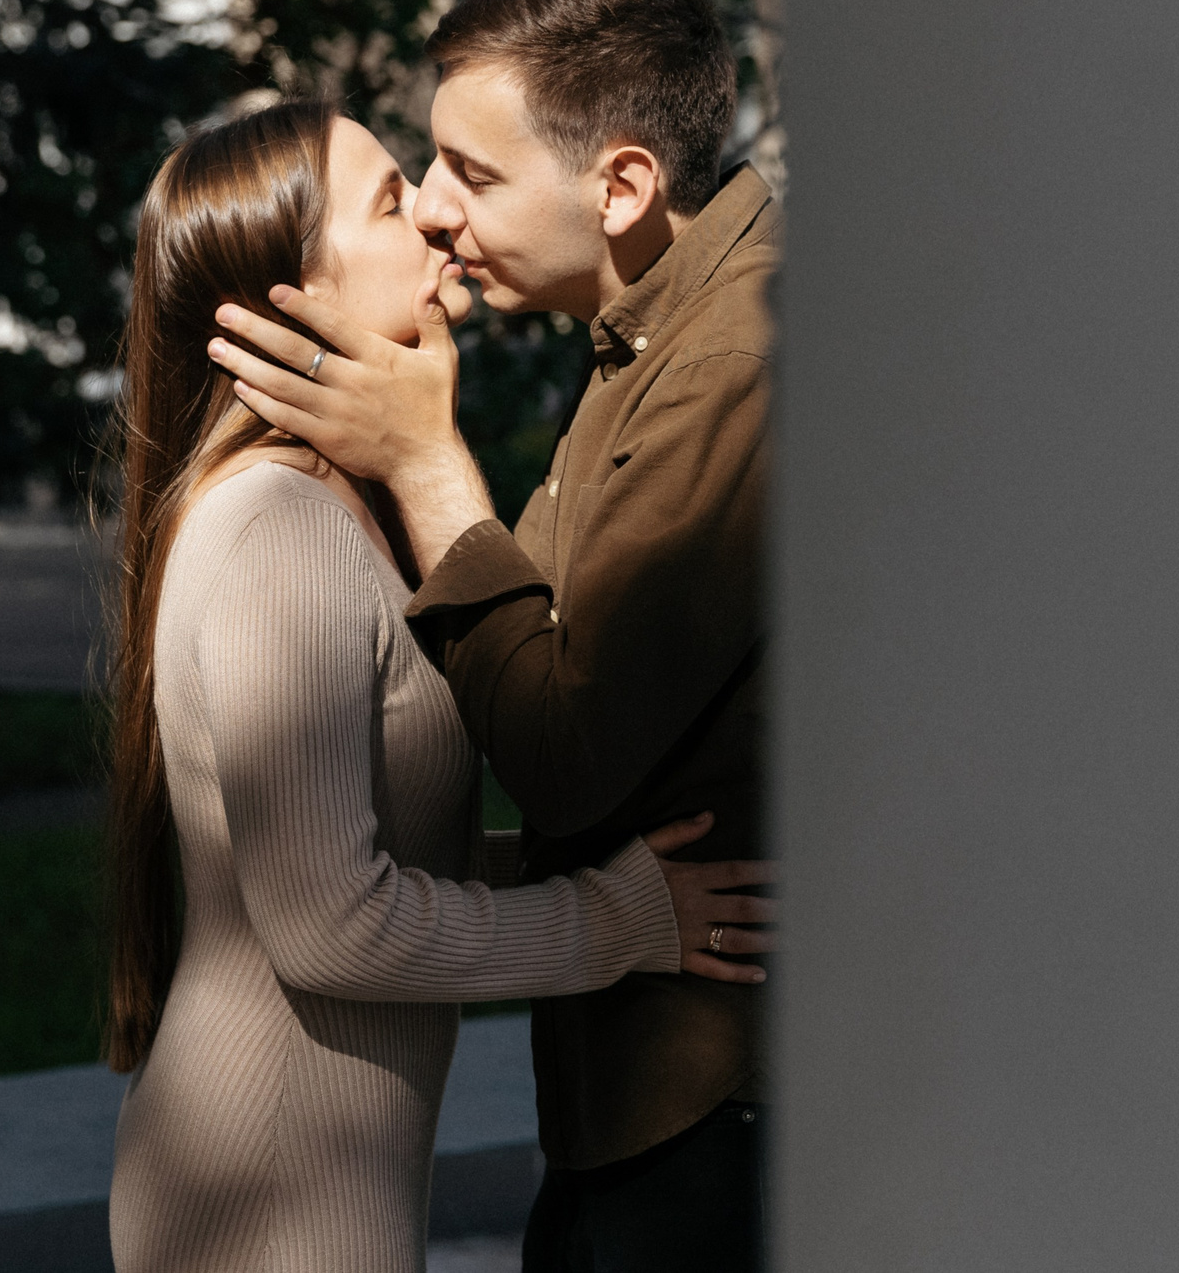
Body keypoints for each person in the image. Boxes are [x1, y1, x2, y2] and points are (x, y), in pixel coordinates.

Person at [102, 97, 775, 1273]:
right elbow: (330, 923)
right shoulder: (277, 529)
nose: (430, 211)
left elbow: (391, 846)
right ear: (292, 296)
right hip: (266, 1204)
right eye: (386, 199)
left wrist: (622, 871)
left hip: (314, 1185)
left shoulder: (334, 510)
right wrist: (616, 921)